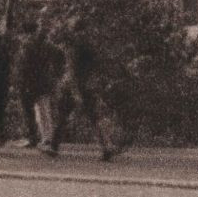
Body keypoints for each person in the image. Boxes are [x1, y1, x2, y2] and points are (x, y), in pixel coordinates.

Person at [52, 32, 121, 162]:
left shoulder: (73, 51)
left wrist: (75, 93)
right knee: (95, 118)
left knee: (63, 116)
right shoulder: (88, 48)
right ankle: (106, 146)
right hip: (87, 87)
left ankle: (54, 146)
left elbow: (72, 74)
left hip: (75, 88)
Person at [14, 22, 59, 151]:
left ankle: (34, 137)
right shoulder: (45, 45)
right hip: (43, 81)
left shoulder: (28, 46)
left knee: (31, 112)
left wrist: (21, 81)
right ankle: (47, 137)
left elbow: (24, 66)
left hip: (30, 83)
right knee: (43, 110)